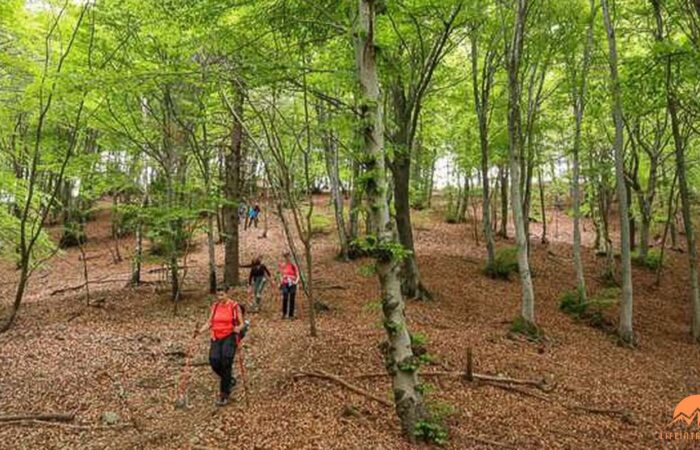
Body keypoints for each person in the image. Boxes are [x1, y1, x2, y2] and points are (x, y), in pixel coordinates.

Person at [197, 290, 245, 406]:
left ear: (227, 294)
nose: (220, 297)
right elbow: (209, 323)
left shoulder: (234, 306)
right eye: (218, 295)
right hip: (216, 337)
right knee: (213, 361)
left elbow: (241, 323)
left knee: (226, 362)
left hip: (229, 336)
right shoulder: (215, 306)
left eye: (222, 295)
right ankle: (228, 379)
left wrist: (238, 328)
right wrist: (199, 331)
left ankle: (224, 394)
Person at [279, 252, 299, 319]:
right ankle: (284, 313)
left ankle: (291, 315)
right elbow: (281, 274)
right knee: (285, 296)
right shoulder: (283, 265)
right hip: (285, 282)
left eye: (288, 257)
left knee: (292, 298)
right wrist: (281, 281)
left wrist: (296, 281)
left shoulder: (293, 265)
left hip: (292, 282)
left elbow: (297, 274)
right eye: (286, 257)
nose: (287, 258)